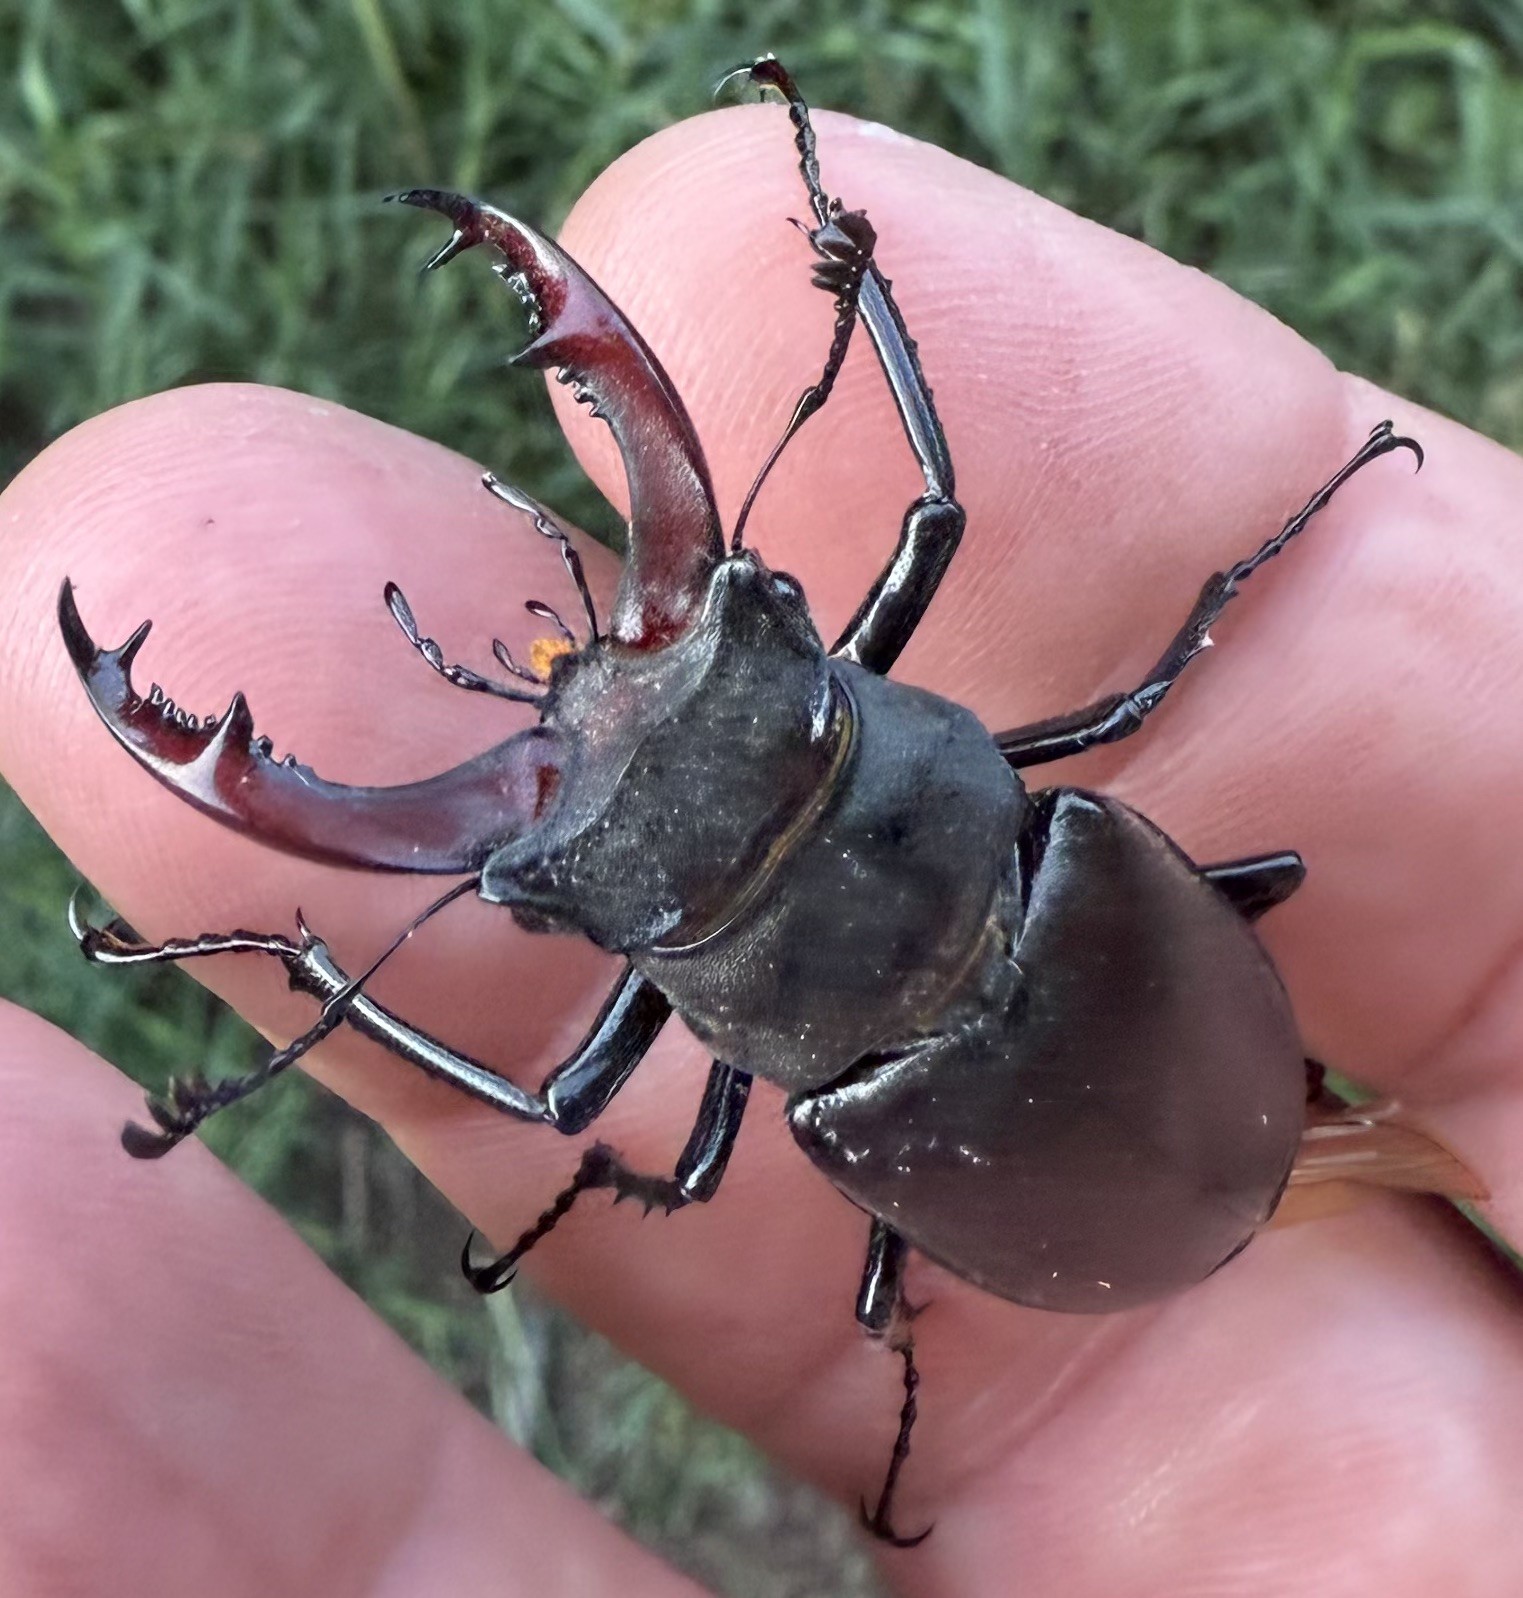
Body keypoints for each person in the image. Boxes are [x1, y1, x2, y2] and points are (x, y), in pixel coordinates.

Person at [1, 99, 1520, 1597]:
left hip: (1121, 1143)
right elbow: (964, 525)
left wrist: (304, 962)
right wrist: (852, 269)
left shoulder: (861, 1062)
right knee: (973, 563)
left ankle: (306, 968)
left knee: (660, 1156)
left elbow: (556, 1098)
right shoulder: (1056, 838)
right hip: (1140, 1111)